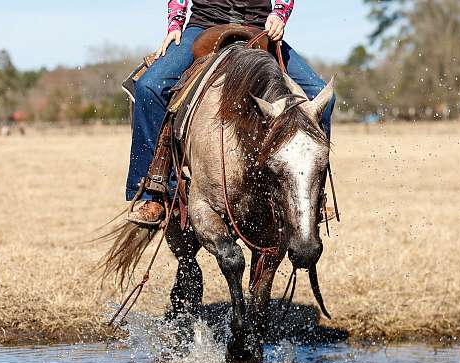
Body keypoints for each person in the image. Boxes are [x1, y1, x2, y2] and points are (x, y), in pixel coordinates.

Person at [127, 0, 335, 224]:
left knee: (320, 96)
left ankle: (314, 198)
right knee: (149, 87)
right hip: (203, 26)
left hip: (259, 26)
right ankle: (154, 192)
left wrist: (279, 15)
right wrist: (175, 25)